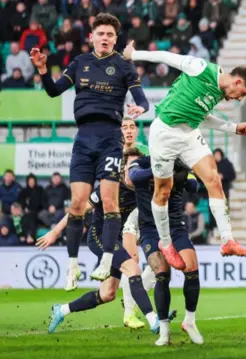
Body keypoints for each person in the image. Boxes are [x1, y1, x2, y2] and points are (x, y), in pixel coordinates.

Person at [30, 13, 150, 286]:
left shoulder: (124, 65)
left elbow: (142, 99)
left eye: (110, 34)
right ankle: (72, 266)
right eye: (101, 34)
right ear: (92, 37)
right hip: (83, 139)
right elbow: (53, 91)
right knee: (77, 204)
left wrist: (141, 107)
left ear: (115, 39)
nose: (105, 38)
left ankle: (107, 259)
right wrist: (42, 70)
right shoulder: (80, 63)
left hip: (110, 138)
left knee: (109, 202)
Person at [122, 37, 246, 268]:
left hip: (189, 134)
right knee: (162, 192)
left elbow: (202, 115)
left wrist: (233, 128)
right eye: (242, 93)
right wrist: (133, 55)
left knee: (213, 179)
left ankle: (228, 240)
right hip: (165, 133)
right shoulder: (201, 68)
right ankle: (165, 243)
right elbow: (166, 57)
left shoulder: (218, 92)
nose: (239, 98)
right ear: (236, 82)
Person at [42, 149, 162, 336]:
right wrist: (56, 231)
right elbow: (79, 210)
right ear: (123, 169)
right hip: (99, 236)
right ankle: (154, 319)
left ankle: (62, 310)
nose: (134, 172)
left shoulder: (143, 189)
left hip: (117, 239)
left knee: (107, 294)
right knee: (133, 268)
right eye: (130, 167)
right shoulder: (110, 187)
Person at [127, 150, 203, 346]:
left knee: (192, 268)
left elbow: (194, 186)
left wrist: (186, 171)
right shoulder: (141, 163)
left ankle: (190, 321)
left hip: (175, 227)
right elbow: (133, 176)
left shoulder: (182, 163)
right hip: (150, 230)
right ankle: (164, 330)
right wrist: (163, 169)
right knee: (162, 273)